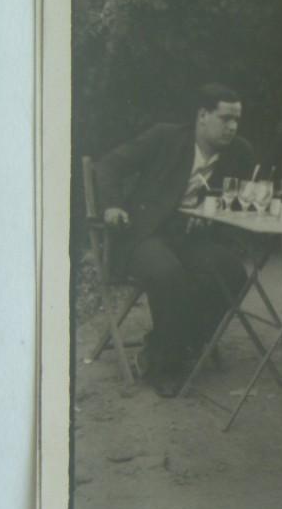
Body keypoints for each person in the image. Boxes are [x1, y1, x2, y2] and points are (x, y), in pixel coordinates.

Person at [95, 83, 255, 396]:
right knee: (167, 273)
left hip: (193, 239)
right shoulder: (165, 137)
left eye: (237, 119)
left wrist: (210, 220)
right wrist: (112, 205)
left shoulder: (240, 153)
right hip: (146, 232)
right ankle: (165, 368)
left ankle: (174, 346)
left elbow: (235, 204)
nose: (233, 127)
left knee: (231, 272)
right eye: (225, 118)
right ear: (203, 116)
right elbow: (109, 165)